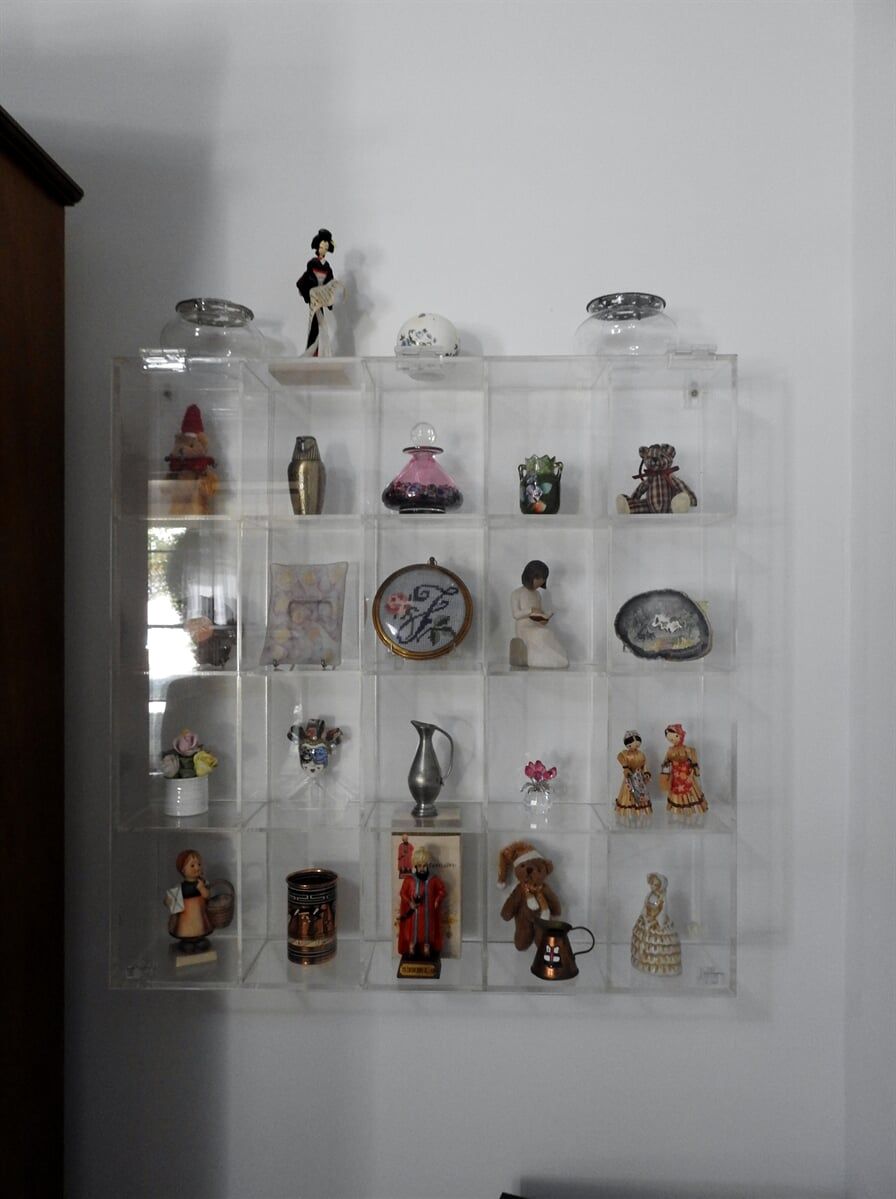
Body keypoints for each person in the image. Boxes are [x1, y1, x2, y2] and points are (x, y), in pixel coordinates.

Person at [509, 559, 568, 669]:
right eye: (538, 580)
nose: (540, 583)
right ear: (531, 577)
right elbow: (516, 614)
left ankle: (556, 659)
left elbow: (539, 612)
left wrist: (544, 618)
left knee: (548, 632)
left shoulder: (537, 595)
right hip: (524, 628)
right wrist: (530, 610)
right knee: (541, 634)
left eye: (542, 580)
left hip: (536, 626)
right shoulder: (517, 593)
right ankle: (535, 659)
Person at [296, 228, 343, 356]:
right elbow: (303, 281)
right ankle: (314, 352)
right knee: (316, 326)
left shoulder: (327, 266)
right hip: (315, 297)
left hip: (321, 298)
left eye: (326, 248)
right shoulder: (312, 263)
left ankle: (320, 352)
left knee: (321, 326)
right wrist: (311, 293)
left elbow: (330, 282)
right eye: (322, 246)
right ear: (317, 246)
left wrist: (329, 295)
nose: (323, 250)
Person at [397, 847, 445, 959]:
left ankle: (427, 951)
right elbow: (402, 893)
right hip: (414, 915)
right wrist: (410, 902)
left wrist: (437, 900)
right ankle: (411, 951)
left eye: (424, 865)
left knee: (427, 934)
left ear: (427, 865)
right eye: (419, 866)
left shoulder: (433, 879)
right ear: (415, 866)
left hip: (428, 914)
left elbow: (442, 890)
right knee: (412, 934)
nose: (422, 869)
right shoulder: (409, 880)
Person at [630, 872, 682, 975]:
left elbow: (662, 913)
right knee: (643, 938)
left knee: (658, 942)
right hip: (647, 919)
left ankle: (659, 968)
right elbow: (645, 907)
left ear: (660, 886)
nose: (653, 887)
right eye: (652, 884)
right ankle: (642, 962)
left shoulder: (662, 898)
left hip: (657, 921)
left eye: (655, 885)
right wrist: (645, 918)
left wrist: (655, 922)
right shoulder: (649, 895)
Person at [164, 849, 213, 950]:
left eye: (199, 864)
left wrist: (202, 888)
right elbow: (170, 899)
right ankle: (187, 942)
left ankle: (200, 940)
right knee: (185, 931)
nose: (197, 868)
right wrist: (168, 901)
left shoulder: (202, 883)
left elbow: (207, 895)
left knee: (200, 929)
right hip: (186, 917)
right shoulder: (180, 887)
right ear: (183, 870)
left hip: (199, 914)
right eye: (192, 865)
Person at [659, 723, 708, 814]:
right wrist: (666, 766)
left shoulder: (688, 750)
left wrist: (692, 773)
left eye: (675, 736)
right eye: (669, 738)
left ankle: (689, 808)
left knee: (689, 790)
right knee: (676, 791)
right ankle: (678, 808)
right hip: (675, 776)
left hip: (686, 775)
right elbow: (666, 761)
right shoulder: (670, 750)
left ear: (680, 735)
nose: (672, 740)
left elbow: (694, 763)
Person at [616, 730, 652, 813]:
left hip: (639, 778)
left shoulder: (641, 754)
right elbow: (620, 757)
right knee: (630, 791)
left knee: (641, 792)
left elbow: (644, 765)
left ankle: (641, 808)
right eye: (632, 742)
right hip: (630, 776)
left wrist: (646, 773)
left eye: (637, 741)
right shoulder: (625, 754)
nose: (636, 743)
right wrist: (625, 767)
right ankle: (629, 808)